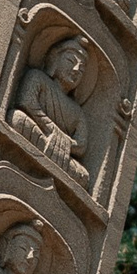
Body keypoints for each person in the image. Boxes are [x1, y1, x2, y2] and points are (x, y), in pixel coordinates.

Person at [10, 36, 93, 175]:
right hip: (39, 132)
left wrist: (64, 142)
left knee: (83, 175)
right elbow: (26, 102)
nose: (76, 69)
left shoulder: (77, 111)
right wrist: (53, 130)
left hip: (59, 149)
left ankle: (52, 154)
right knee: (17, 119)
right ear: (55, 59)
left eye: (82, 70)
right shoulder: (37, 77)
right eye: (70, 61)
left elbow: (81, 145)